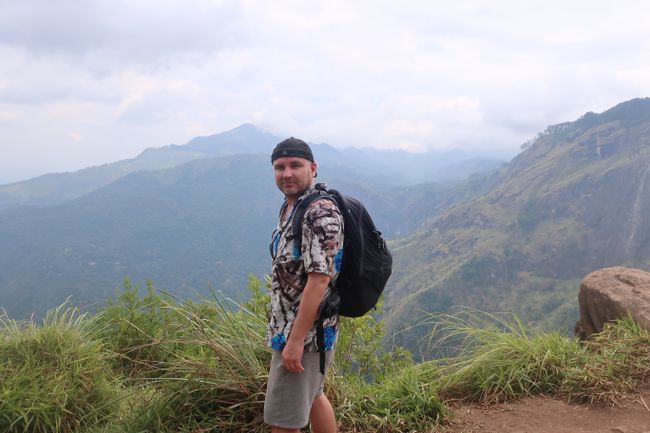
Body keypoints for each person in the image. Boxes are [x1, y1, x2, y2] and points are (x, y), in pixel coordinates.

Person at [264, 137, 344, 433]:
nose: (287, 173)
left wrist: (295, 341)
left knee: (283, 421)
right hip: (302, 330)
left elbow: (320, 279)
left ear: (313, 168)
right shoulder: (292, 207)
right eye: (279, 167)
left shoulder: (318, 212)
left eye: (295, 165)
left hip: (305, 334)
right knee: (313, 396)